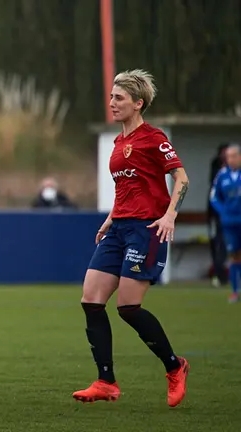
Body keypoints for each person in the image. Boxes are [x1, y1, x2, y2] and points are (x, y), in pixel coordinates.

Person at [74, 70, 190, 407]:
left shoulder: (154, 138)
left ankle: (175, 366)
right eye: (111, 97)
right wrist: (111, 219)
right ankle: (106, 381)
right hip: (120, 227)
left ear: (138, 104)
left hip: (146, 229)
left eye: (119, 98)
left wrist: (170, 215)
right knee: (91, 299)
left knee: (128, 306)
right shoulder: (118, 143)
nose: (112, 103)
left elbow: (181, 179)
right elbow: (127, 187)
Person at [210, 143, 241, 303]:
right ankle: (235, 291)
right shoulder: (222, 175)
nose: (230, 159)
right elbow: (214, 197)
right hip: (230, 223)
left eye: (233, 156)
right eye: (228, 157)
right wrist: (224, 212)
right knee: (234, 256)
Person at [209, 144, 230, 286]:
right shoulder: (219, 173)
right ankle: (219, 274)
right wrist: (223, 211)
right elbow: (213, 197)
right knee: (219, 244)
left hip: (236, 217)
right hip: (220, 217)